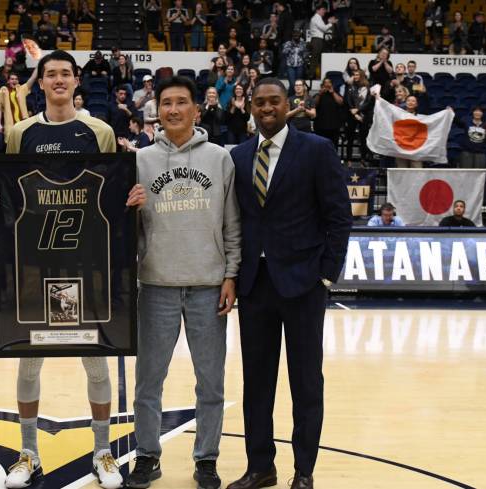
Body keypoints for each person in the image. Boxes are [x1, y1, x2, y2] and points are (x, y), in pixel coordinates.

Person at [0, 51, 131, 489]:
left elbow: (111, 192)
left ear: (76, 80)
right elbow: (9, 196)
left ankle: (103, 453)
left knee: (97, 359)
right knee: (29, 360)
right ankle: (28, 453)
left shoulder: (99, 131)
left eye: (66, 73)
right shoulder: (20, 132)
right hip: (35, 263)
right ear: (41, 83)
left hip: (89, 264)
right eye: (51, 74)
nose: (59, 80)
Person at [227, 77, 351, 489]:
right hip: (255, 285)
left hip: (303, 284)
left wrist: (327, 274)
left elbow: (338, 216)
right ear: (252, 107)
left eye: (273, 101)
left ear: (288, 105)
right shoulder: (240, 155)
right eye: (259, 102)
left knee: (305, 381)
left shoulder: (316, 150)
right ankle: (260, 466)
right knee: (256, 383)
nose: (266, 108)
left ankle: (304, 471)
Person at [124, 75, 240, 489]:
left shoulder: (219, 158)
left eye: (181, 102)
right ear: (157, 109)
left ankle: (206, 459)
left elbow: (232, 223)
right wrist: (130, 210)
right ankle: (147, 455)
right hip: (156, 284)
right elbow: (127, 231)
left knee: (211, 382)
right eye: (166, 102)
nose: (172, 109)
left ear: (196, 109)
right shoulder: (139, 160)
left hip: (208, 286)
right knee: (148, 380)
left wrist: (231, 275)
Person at [0, 69, 38, 144]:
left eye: (16, 79)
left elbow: (33, 78)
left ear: (18, 81)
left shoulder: (21, 89)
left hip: (23, 124)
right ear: (8, 81)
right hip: (11, 125)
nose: (14, 81)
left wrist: (39, 64)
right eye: (12, 79)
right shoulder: (4, 90)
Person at [343, 69, 369, 165]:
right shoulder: (350, 87)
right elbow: (348, 100)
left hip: (363, 116)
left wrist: (358, 111)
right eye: (354, 75)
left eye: (357, 74)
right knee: (349, 138)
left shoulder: (367, 87)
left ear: (362, 75)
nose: (355, 76)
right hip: (351, 115)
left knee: (363, 139)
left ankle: (363, 159)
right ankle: (348, 159)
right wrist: (354, 113)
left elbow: (368, 102)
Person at [312, 78, 344, 148]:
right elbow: (313, 104)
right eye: (325, 83)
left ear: (332, 85)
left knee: (334, 146)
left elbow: (341, 102)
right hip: (320, 126)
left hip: (334, 126)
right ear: (322, 85)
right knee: (320, 146)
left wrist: (333, 92)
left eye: (329, 83)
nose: (327, 84)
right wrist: (320, 94)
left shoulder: (336, 94)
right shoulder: (318, 95)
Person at [306, 6, 336, 78]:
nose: (324, 11)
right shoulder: (316, 18)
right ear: (317, 10)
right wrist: (330, 23)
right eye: (323, 9)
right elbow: (324, 28)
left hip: (318, 40)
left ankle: (314, 74)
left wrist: (329, 22)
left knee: (317, 58)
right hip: (317, 40)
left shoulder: (318, 18)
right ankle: (310, 75)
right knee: (315, 58)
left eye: (325, 10)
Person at [281, 30, 307, 95]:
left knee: (298, 83)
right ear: (292, 36)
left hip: (299, 65)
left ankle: (292, 97)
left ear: (300, 36)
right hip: (290, 66)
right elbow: (284, 52)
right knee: (292, 84)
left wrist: (303, 53)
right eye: (295, 35)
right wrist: (291, 46)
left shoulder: (303, 43)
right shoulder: (288, 43)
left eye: (297, 35)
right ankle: (291, 98)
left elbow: (305, 53)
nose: (296, 37)